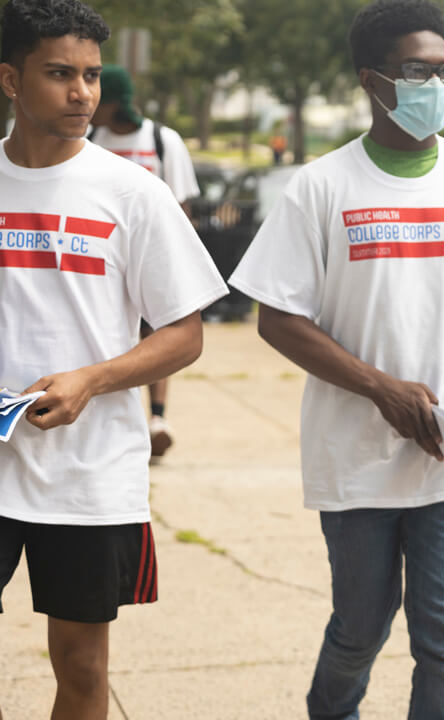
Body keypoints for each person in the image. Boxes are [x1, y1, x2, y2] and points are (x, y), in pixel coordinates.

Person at [228, 1, 444, 717]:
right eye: (417, 70)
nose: (437, 85)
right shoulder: (322, 187)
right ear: (373, 80)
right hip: (354, 459)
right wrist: (381, 389)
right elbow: (278, 318)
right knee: (361, 628)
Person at [0, 0, 226, 717]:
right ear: (10, 79)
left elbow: (184, 332)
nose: (83, 94)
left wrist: (91, 380)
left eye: (92, 75)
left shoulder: (134, 195)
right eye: (60, 73)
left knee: (84, 670)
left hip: (90, 473)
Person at [88, 62, 200, 460]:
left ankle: (157, 418)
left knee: (158, 335)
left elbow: (182, 207)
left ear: (116, 102)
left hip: (149, 255)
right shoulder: (88, 137)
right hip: (99, 256)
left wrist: (174, 264)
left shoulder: (161, 140)